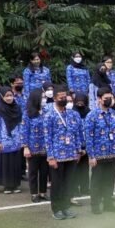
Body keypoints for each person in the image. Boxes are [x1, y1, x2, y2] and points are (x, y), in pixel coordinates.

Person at [44, 86, 83, 219]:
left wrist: (78, 151)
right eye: (60, 98)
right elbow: (47, 138)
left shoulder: (73, 114)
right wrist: (50, 157)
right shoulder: (49, 116)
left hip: (71, 154)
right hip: (57, 156)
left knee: (68, 183)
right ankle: (57, 209)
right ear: (54, 98)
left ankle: (66, 207)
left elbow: (77, 133)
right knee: (57, 184)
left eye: (65, 97)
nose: (63, 100)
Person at [85, 87, 115, 214]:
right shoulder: (92, 116)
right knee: (97, 181)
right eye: (106, 98)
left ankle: (108, 203)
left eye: (110, 98)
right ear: (99, 99)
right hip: (98, 155)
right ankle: (95, 205)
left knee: (109, 180)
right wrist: (91, 156)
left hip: (112, 153)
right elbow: (89, 137)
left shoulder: (114, 114)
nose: (109, 101)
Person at [0, 87, 24, 193]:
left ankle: (15, 185)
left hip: (16, 140)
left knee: (15, 163)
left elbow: (21, 125)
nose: (9, 98)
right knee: (6, 163)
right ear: (2, 97)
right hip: (4, 141)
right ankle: (7, 186)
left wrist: (21, 139)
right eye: (6, 96)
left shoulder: (17, 108)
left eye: (11, 95)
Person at [22, 89, 50, 202]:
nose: (44, 99)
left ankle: (42, 192)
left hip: (46, 147)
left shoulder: (46, 111)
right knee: (33, 172)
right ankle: (34, 194)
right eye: (42, 97)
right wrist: (25, 146)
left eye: (45, 97)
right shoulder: (28, 113)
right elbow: (24, 131)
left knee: (44, 171)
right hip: (33, 147)